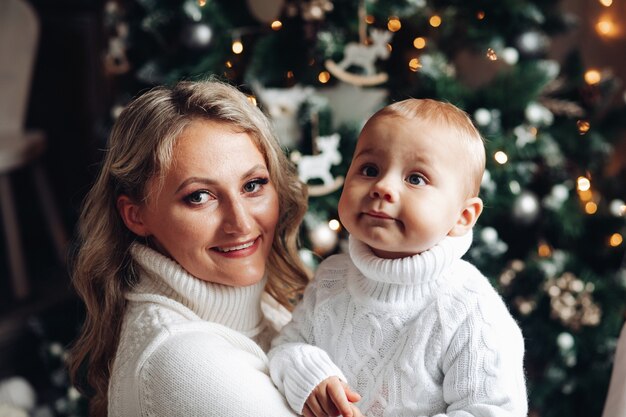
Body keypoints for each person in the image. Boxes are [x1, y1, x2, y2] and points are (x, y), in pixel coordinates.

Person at [67, 78, 312, 417]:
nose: (240, 223)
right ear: (136, 215)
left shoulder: (266, 307)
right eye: (199, 197)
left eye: (253, 185)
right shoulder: (184, 360)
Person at [268, 99, 528, 417]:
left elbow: (491, 411)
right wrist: (310, 376)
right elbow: (285, 347)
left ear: (463, 216)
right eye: (370, 169)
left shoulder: (470, 308)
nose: (383, 187)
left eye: (415, 178)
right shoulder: (332, 277)